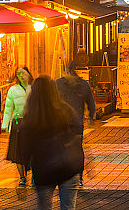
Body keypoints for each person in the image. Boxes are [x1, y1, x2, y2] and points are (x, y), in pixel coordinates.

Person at [19, 75, 83, 210]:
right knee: (68, 207)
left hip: (43, 170)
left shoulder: (31, 117)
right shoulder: (66, 110)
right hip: (68, 167)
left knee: (44, 206)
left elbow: (24, 149)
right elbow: (77, 134)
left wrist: (24, 173)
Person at [56, 61, 96, 186]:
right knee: (77, 149)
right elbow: (91, 102)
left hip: (62, 123)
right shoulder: (83, 84)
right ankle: (78, 176)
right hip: (77, 123)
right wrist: (90, 117)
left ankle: (66, 174)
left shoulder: (58, 84)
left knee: (62, 149)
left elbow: (50, 100)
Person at [2, 66, 33, 186]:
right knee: (18, 152)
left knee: (33, 151)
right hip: (17, 123)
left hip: (31, 123)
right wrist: (5, 124)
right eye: (18, 74)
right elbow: (8, 108)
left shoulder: (34, 88)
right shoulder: (13, 90)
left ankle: (33, 177)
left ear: (28, 74)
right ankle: (22, 177)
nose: (21, 76)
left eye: (23, 73)